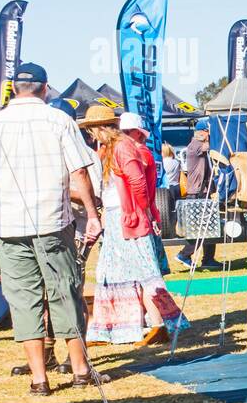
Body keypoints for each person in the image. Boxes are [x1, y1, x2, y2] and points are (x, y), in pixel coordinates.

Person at [0, 62, 105, 395]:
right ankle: (81, 371)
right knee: (65, 291)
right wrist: (92, 213)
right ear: (44, 88)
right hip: (52, 221)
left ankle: (39, 378)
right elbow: (79, 173)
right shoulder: (59, 121)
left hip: (10, 227)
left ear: (13, 89)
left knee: (23, 300)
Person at [80, 108, 187, 345]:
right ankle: (109, 328)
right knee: (112, 274)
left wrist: (142, 211)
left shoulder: (123, 147)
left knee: (145, 272)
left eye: (91, 130)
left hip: (129, 219)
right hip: (119, 217)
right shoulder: (112, 149)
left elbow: (138, 182)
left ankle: (160, 324)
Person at [176, 118, 220, 271]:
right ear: (202, 132)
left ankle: (208, 259)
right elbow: (212, 145)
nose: (209, 135)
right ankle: (184, 254)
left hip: (202, 193)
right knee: (201, 230)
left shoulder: (197, 145)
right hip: (197, 194)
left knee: (210, 227)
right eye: (208, 132)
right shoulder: (195, 145)